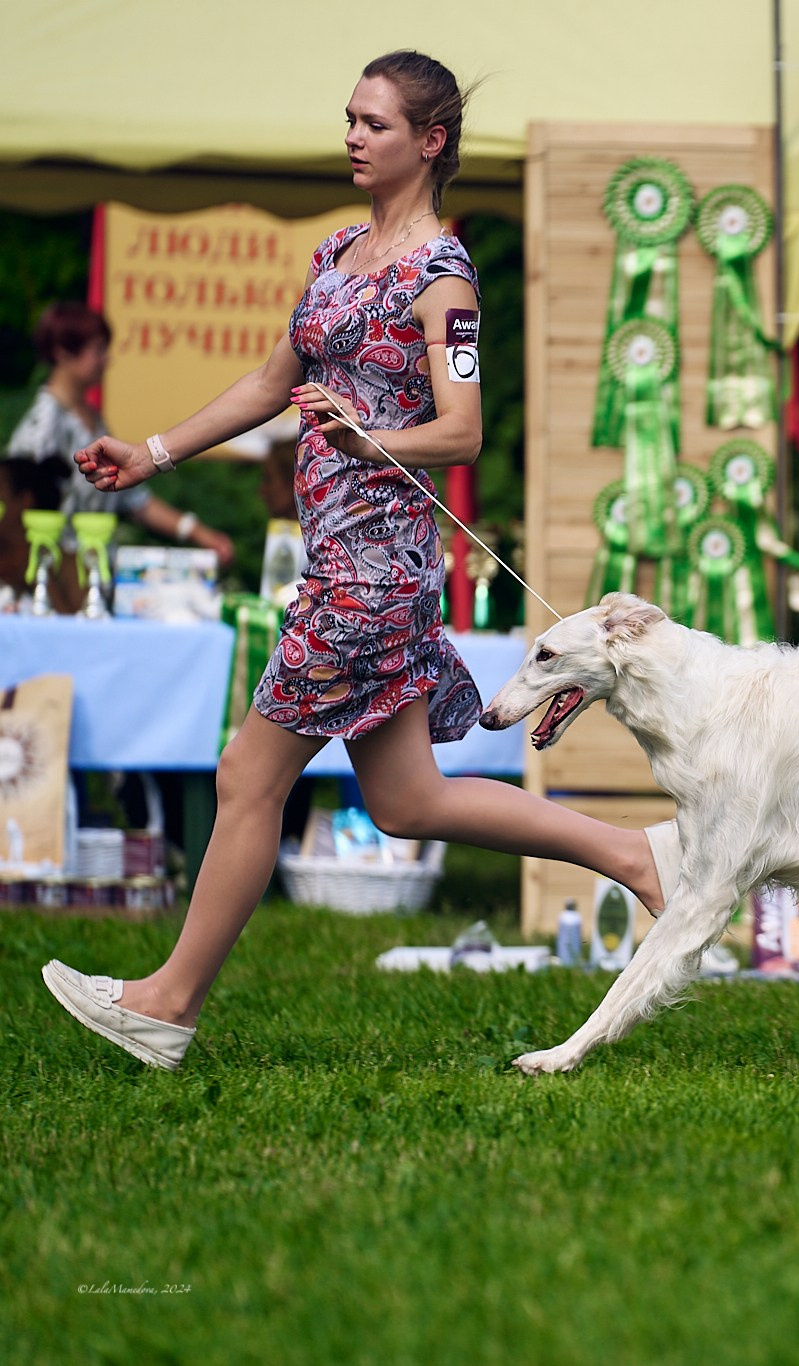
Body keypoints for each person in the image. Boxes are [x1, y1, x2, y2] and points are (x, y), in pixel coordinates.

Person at [41, 50, 677, 1070]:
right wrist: (150, 451)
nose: (351, 136)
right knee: (406, 801)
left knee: (248, 771)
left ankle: (165, 1004)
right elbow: (266, 383)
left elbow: (461, 433)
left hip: (373, 577)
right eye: (348, 118)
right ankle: (633, 854)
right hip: (339, 564)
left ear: (428, 142)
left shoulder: (445, 277)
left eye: (373, 123)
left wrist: (369, 439)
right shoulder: (337, 251)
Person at [2, 302, 235, 594]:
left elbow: (133, 498)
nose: (106, 359)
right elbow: (17, 516)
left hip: (95, 577)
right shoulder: (41, 427)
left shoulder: (91, 418)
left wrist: (198, 532)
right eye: (97, 349)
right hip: (55, 584)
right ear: (63, 352)